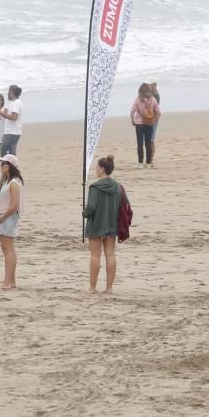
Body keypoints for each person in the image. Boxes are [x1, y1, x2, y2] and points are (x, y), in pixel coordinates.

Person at [83, 155, 122, 294]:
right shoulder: (117, 187)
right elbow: (122, 206)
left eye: (97, 167)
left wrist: (85, 213)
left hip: (97, 225)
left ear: (102, 169)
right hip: (112, 224)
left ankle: (92, 287)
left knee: (95, 255)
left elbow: (91, 208)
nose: (95, 169)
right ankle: (109, 287)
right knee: (110, 255)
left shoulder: (95, 187)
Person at [0, 153, 24, 289]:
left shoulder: (14, 183)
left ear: (10, 166)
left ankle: (8, 281)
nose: (1, 167)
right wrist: (1, 178)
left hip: (8, 218)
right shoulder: (7, 181)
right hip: (4, 217)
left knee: (8, 250)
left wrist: (2, 217)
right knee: (7, 249)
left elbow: (14, 205)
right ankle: (11, 281)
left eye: (3, 165)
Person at [130, 83, 160, 168]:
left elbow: (132, 111)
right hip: (149, 123)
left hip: (139, 123)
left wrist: (132, 121)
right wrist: (155, 121)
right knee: (148, 143)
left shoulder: (137, 100)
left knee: (140, 143)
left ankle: (140, 163)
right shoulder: (153, 99)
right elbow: (158, 112)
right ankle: (148, 163)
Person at [0, 84, 23, 157]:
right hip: (9, 132)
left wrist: (1, 113)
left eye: (9, 91)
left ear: (11, 92)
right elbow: (7, 116)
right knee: (9, 154)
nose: (8, 93)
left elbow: (14, 117)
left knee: (7, 155)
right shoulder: (12, 103)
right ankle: (11, 168)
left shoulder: (17, 102)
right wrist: (3, 113)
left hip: (12, 133)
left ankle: (10, 168)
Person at [149, 82, 161, 161]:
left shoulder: (155, 95)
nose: (149, 86)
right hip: (149, 120)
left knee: (151, 141)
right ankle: (149, 160)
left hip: (152, 121)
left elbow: (157, 112)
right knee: (149, 141)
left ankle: (150, 160)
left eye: (151, 85)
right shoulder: (150, 95)